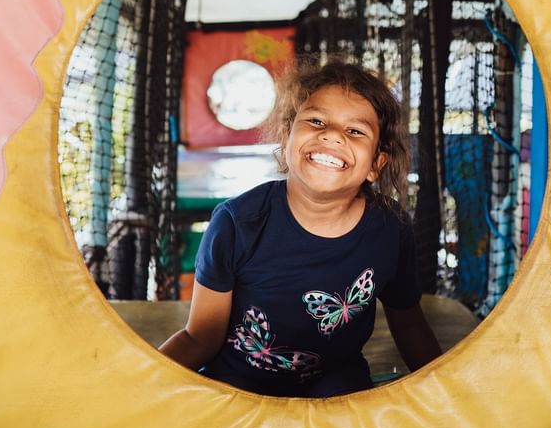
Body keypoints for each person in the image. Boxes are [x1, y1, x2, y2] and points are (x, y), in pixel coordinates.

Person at [159, 60, 441, 397]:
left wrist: (446, 393)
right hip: (238, 380)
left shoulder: (390, 230)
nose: (333, 134)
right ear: (285, 136)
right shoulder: (237, 223)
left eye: (355, 131)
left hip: (335, 377)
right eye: (316, 121)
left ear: (375, 165)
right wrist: (136, 386)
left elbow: (408, 323)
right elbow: (200, 337)